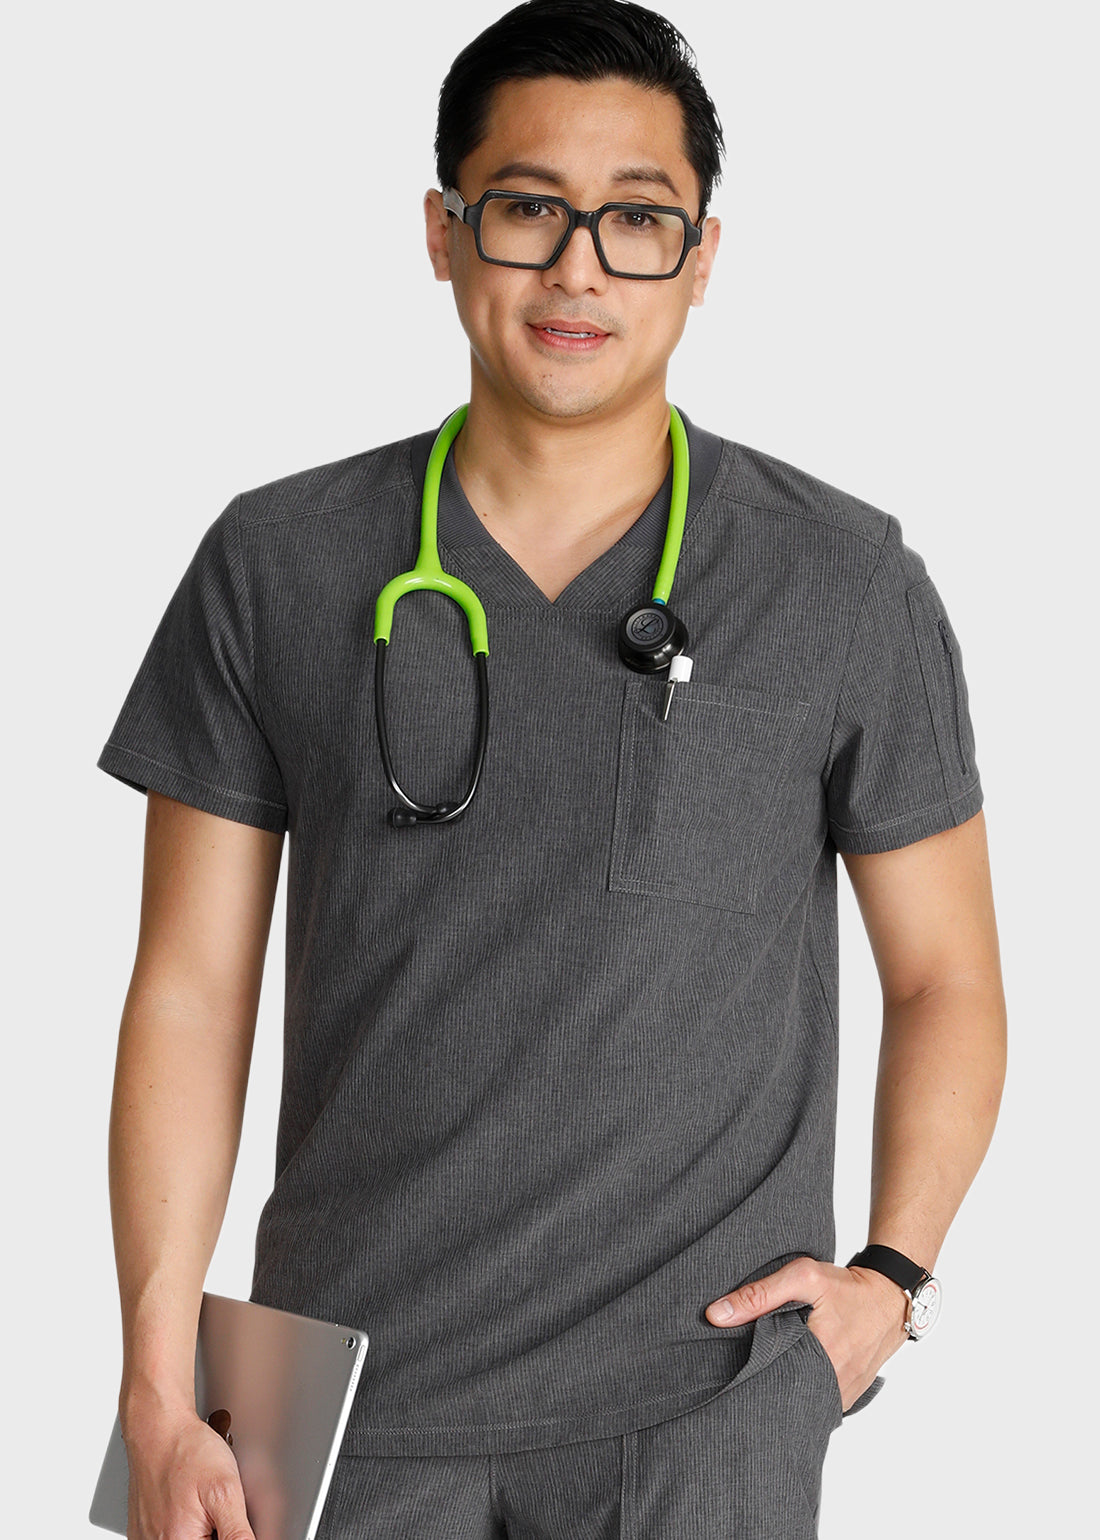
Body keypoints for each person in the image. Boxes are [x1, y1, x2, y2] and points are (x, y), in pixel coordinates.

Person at [96, 1, 1007, 1536]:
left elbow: (947, 978)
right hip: (327, 1408)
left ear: (702, 259)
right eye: (528, 208)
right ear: (442, 232)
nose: (580, 267)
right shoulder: (277, 563)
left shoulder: (843, 583)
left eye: (637, 220)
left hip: (704, 1406)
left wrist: (891, 1279)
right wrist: (153, 1388)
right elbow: (187, 988)